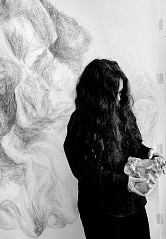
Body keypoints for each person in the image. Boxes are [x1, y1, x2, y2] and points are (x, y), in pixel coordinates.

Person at [63, 59, 164, 239]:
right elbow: (84, 171)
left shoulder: (122, 111)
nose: (119, 99)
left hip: (132, 205)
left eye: (120, 92)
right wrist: (123, 182)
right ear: (97, 96)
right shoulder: (80, 122)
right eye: (114, 95)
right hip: (100, 210)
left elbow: (133, 144)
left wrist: (147, 153)